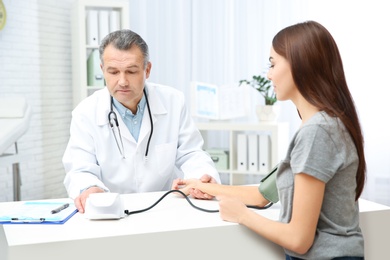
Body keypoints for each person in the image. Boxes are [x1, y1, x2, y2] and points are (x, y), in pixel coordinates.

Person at [173, 21, 365, 260]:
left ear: (300, 64)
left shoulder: (318, 132)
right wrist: (201, 186)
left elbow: (299, 239)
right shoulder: (324, 125)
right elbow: (263, 195)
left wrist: (242, 215)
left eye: (273, 64)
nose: (269, 74)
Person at [63, 29, 220, 213]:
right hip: (112, 211)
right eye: (113, 72)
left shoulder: (173, 101)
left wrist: (201, 179)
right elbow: (80, 168)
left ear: (147, 69)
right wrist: (89, 188)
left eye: (131, 71)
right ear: (102, 70)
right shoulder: (85, 113)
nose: (122, 81)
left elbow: (191, 153)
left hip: (166, 207)